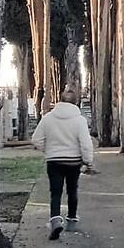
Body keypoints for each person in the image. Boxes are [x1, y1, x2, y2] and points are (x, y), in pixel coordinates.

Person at [32, 90, 94, 240]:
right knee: (72, 190)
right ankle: (71, 221)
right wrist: (88, 160)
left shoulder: (48, 118)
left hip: (54, 161)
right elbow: (86, 143)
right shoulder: (79, 120)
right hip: (73, 161)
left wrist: (48, 151)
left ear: (59, 100)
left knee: (55, 192)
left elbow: (36, 139)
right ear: (75, 102)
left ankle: (55, 221)